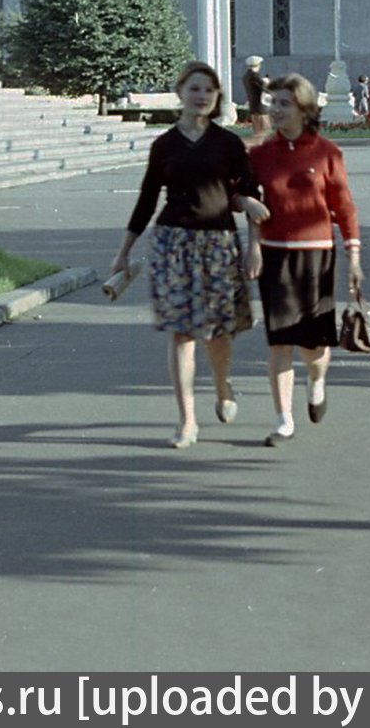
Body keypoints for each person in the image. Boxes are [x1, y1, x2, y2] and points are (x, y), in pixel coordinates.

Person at [107, 61, 268, 448]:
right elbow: (147, 200)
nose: (202, 97)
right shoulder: (164, 145)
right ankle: (187, 420)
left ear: (216, 99)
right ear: (181, 92)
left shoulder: (228, 144)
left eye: (209, 92)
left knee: (217, 332)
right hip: (173, 245)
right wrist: (123, 253)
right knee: (182, 334)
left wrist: (254, 247)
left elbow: (250, 194)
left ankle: (221, 385)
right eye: (195, 89)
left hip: (218, 245)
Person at [248, 74, 363, 445]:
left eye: (284, 103)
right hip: (274, 257)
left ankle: (317, 381)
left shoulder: (327, 152)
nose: (275, 110)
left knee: (313, 346)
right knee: (279, 342)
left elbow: (344, 207)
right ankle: (284, 420)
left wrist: (354, 256)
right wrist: (244, 207)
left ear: (303, 108)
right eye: (273, 102)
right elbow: (242, 197)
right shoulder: (261, 154)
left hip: (316, 257)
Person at [243, 55, 271, 143]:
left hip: (253, 107)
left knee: (257, 133)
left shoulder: (246, 76)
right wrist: (267, 82)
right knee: (264, 132)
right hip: (261, 108)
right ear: (257, 65)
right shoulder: (255, 76)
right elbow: (267, 89)